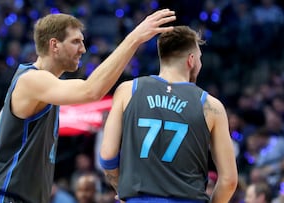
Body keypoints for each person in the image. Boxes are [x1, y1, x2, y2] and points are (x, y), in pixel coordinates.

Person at [0, 9, 176, 203]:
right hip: (6, 196)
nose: (83, 49)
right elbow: (90, 90)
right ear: (54, 45)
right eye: (76, 42)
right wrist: (135, 38)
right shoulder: (33, 80)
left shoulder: (44, 85)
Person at [99, 26, 238, 203]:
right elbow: (229, 181)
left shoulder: (127, 91)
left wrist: (123, 189)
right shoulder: (212, 106)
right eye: (200, 59)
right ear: (191, 60)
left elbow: (107, 155)